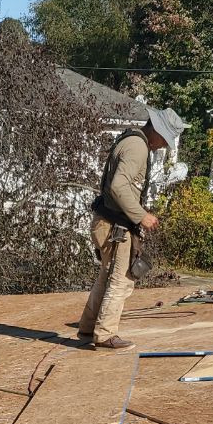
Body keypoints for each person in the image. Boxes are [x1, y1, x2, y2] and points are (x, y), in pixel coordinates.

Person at [77, 107, 186, 348]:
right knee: (122, 280)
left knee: (106, 277)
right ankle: (105, 334)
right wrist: (141, 216)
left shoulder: (131, 140)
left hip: (107, 222)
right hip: (115, 226)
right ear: (156, 130)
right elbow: (118, 187)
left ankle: (87, 328)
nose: (165, 146)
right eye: (165, 140)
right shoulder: (137, 147)